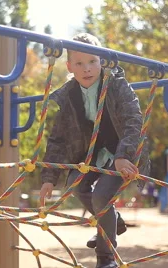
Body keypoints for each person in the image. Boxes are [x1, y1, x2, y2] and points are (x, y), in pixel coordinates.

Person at [39, 33, 150, 268]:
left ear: (102, 62)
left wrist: (123, 156)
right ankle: (112, 220)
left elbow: (133, 121)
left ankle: (106, 259)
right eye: (79, 63)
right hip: (90, 155)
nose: (87, 69)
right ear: (69, 66)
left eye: (92, 61)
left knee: (101, 197)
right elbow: (58, 138)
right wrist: (49, 177)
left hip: (121, 152)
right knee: (75, 185)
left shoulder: (117, 85)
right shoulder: (69, 95)